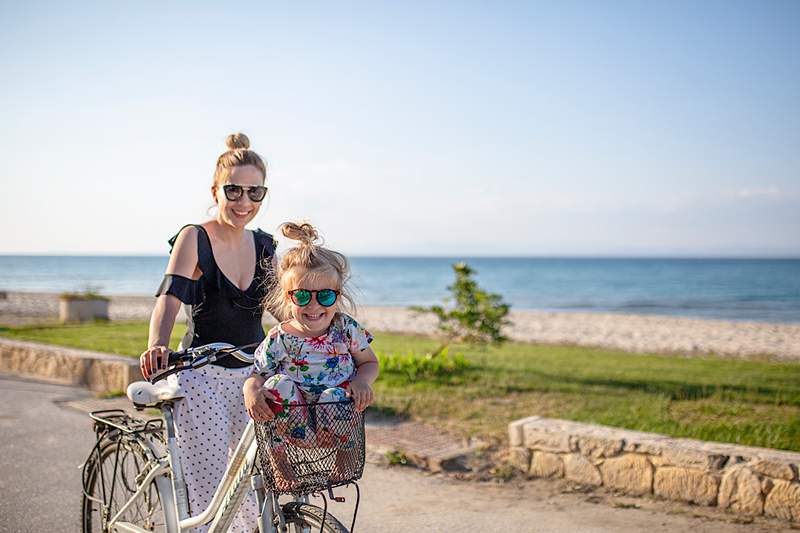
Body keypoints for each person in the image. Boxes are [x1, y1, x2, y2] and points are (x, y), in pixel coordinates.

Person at [139, 132, 275, 532]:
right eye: (233, 190)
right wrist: (157, 345)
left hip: (252, 375)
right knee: (208, 487)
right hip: (202, 376)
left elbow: (284, 307)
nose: (244, 202)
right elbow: (169, 297)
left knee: (252, 484)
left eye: (255, 192)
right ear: (215, 190)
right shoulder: (194, 238)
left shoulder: (265, 245)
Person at [243, 222, 379, 488]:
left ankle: (343, 459)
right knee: (274, 385)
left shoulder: (345, 328)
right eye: (302, 296)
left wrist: (363, 381)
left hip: (334, 426)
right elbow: (256, 375)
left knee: (337, 394)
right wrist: (251, 391)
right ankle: (282, 467)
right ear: (286, 297)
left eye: (325, 296)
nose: (314, 305)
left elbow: (369, 362)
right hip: (294, 424)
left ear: (337, 297)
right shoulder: (279, 338)